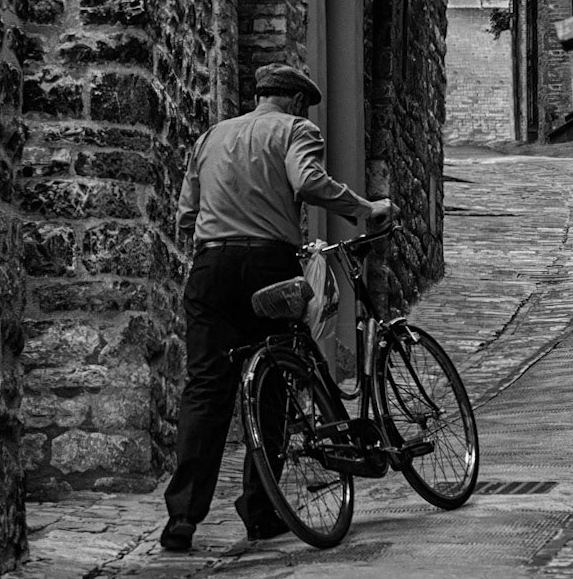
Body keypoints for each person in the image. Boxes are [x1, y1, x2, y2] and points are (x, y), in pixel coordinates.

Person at [160, 63, 398, 552]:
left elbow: (186, 215)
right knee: (274, 381)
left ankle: (182, 514)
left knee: (206, 387)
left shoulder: (211, 136)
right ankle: (262, 510)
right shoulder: (296, 129)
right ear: (294, 102)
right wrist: (363, 209)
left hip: (210, 267)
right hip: (268, 265)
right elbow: (307, 180)